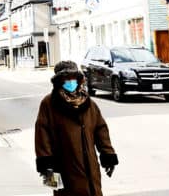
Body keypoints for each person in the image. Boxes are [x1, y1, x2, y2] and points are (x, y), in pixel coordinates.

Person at [34, 60, 118, 196]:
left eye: (74, 78)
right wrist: (46, 168)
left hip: (90, 169)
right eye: (66, 78)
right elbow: (42, 136)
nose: (71, 81)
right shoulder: (49, 103)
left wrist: (108, 155)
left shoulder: (88, 102)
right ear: (59, 80)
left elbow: (100, 130)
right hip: (62, 168)